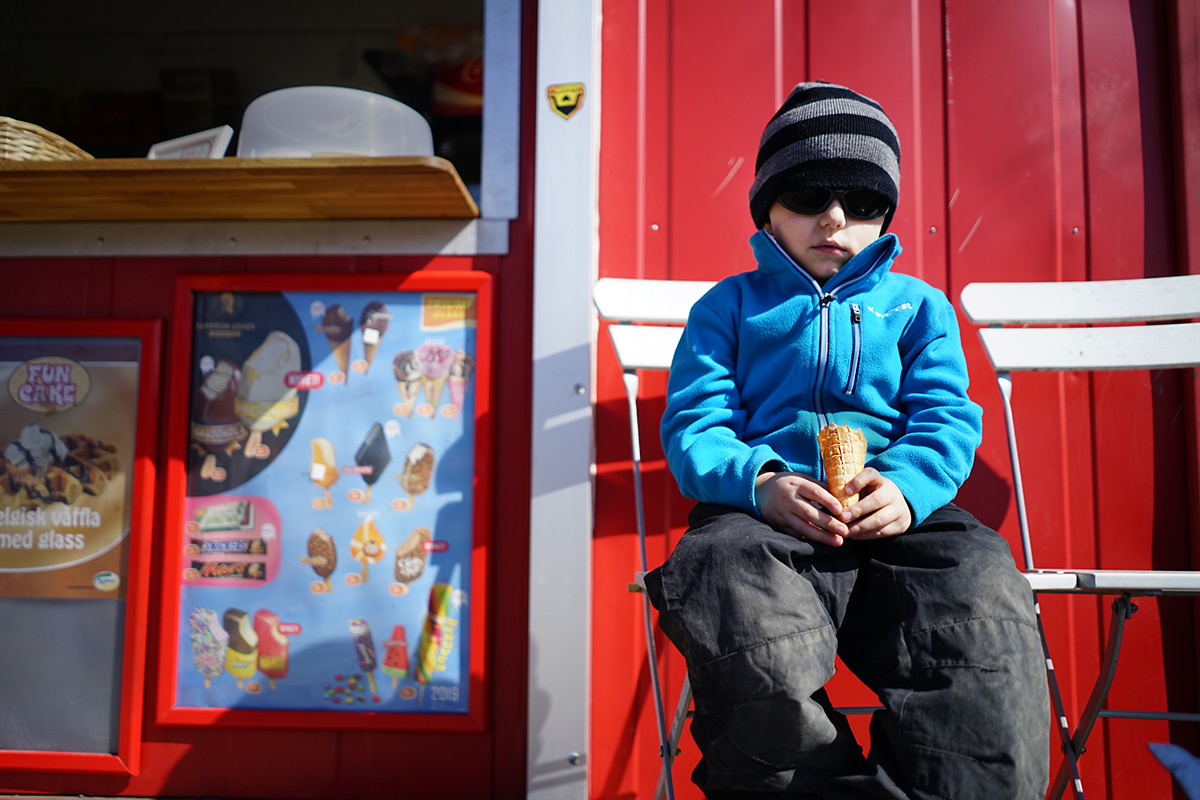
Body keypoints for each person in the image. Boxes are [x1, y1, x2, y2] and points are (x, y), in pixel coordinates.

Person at [643, 81, 1050, 799]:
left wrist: (908, 486)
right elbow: (694, 426)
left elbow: (946, 418)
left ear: (885, 214)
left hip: (898, 513)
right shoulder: (727, 308)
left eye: (862, 203)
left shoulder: (918, 307)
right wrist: (759, 480)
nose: (835, 217)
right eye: (806, 196)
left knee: (983, 595)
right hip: (763, 517)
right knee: (719, 576)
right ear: (767, 207)